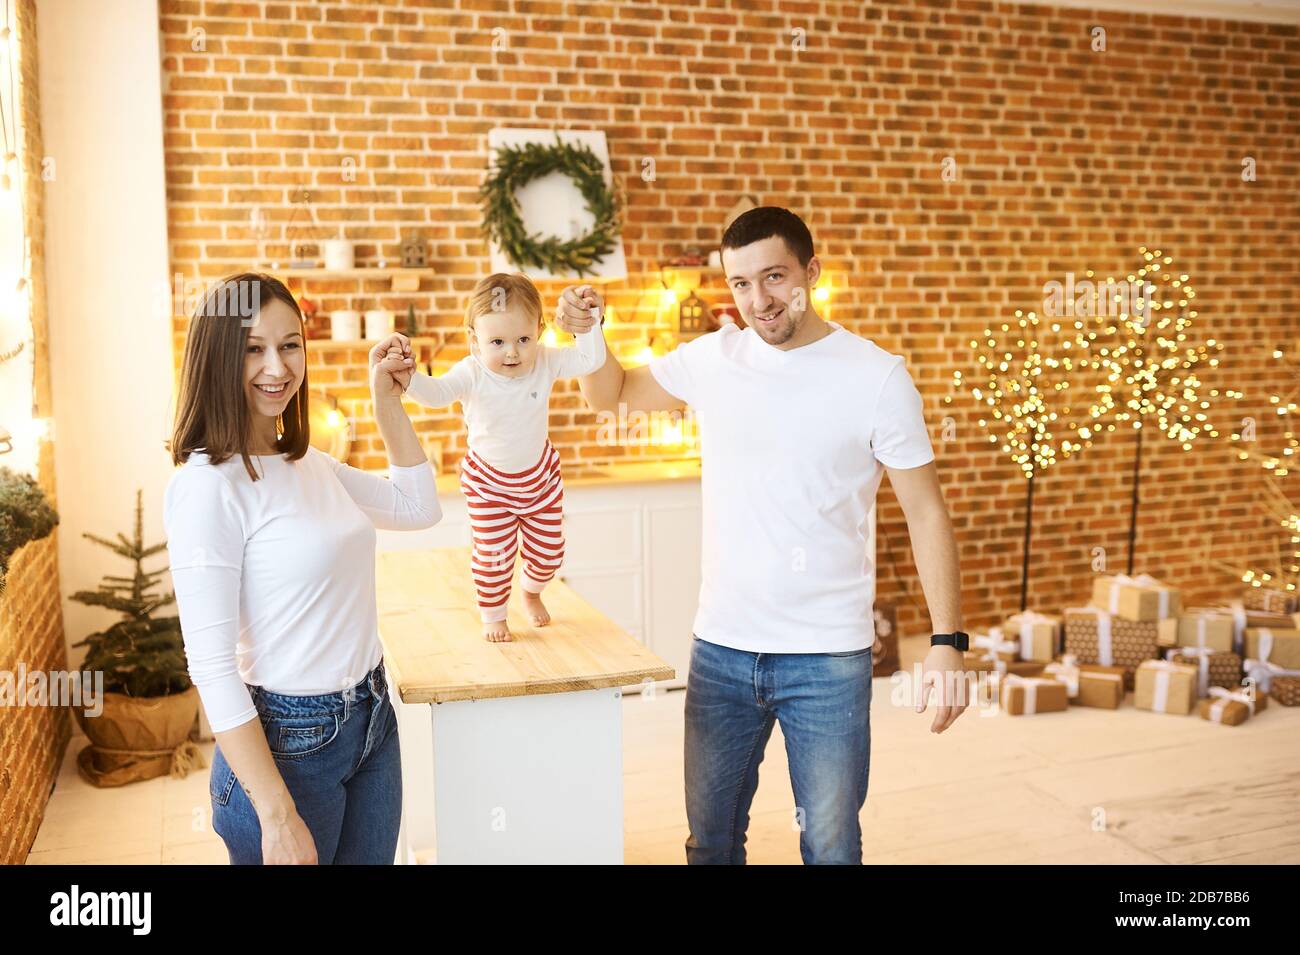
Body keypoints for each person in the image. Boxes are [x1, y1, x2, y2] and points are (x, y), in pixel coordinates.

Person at [552, 207, 968, 864]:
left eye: (773, 277)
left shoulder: (877, 377)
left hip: (828, 655)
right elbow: (614, 394)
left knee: (831, 845)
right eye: (740, 283)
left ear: (811, 271)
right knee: (710, 841)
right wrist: (590, 336)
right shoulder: (714, 357)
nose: (758, 300)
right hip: (722, 648)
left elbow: (926, 511)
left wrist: (946, 642)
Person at [164, 272, 438, 864]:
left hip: (372, 719)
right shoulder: (207, 487)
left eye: (290, 344)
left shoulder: (308, 463)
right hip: (288, 742)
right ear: (217, 358)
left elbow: (419, 508)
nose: (278, 366)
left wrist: (386, 402)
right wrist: (275, 812)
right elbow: (210, 667)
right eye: (253, 348)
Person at [392, 272, 606, 642]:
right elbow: (437, 393)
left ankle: (532, 590)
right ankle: (493, 614)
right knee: (494, 557)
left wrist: (589, 323)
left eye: (523, 339)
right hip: (489, 483)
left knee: (550, 554)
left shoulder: (545, 361)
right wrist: (410, 377)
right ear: (474, 340)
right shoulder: (471, 372)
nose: (512, 352)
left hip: (539, 480)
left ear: (538, 331)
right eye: (498, 341)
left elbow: (590, 359)